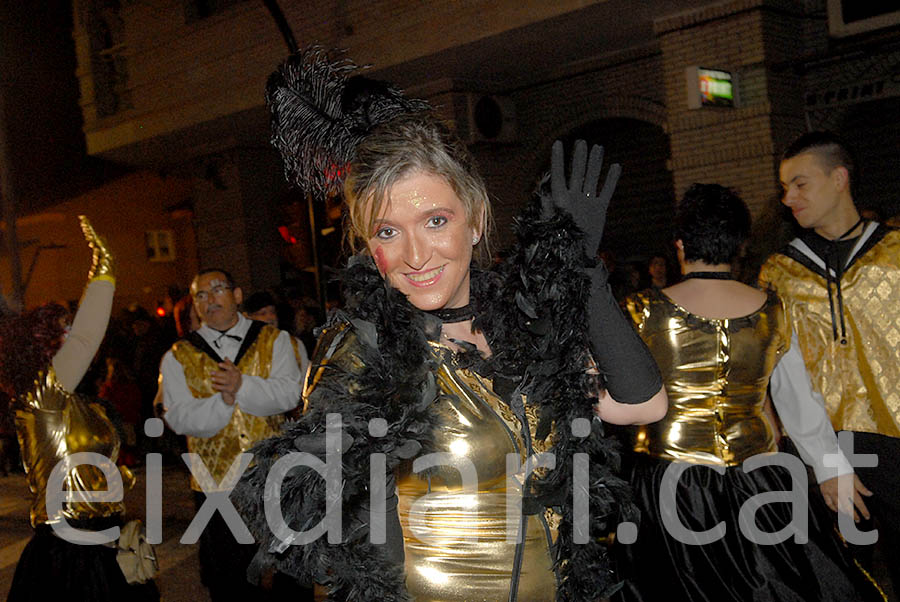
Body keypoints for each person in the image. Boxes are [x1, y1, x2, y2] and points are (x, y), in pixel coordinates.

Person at [233, 48, 667, 601]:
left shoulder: (522, 324)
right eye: (387, 232)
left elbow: (643, 403)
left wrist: (582, 269)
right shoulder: (365, 355)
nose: (416, 255)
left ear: (476, 218)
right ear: (368, 247)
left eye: (435, 221)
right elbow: (354, 554)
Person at [615, 183, 883, 602]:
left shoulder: (642, 310)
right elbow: (798, 401)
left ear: (681, 245)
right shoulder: (772, 309)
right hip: (763, 479)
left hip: (672, 484)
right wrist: (832, 469)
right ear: (740, 245)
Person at [759, 130, 900, 593]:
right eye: (785, 188)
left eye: (800, 184)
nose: (789, 198)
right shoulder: (782, 272)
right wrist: (826, 462)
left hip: (896, 441)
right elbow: (786, 374)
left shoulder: (895, 254)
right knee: (840, 580)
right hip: (831, 444)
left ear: (839, 178)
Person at [2, 217, 158, 601]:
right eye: (63, 330)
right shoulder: (40, 397)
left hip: (107, 537)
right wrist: (104, 268)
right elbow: (89, 336)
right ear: (42, 344)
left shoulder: (81, 402)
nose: (75, 338)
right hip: (69, 553)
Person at [160, 269, 307, 601]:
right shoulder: (178, 356)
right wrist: (223, 403)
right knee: (230, 579)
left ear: (237, 295)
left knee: (289, 575)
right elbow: (178, 417)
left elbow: (289, 394)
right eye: (201, 295)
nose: (210, 299)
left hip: (275, 478)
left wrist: (243, 386)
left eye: (217, 290)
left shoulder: (276, 341)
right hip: (216, 487)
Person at [243, 289, 309, 380]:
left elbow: (304, 377)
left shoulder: (293, 343)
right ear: (249, 317)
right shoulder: (242, 347)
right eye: (262, 313)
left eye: (272, 312)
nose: (270, 317)